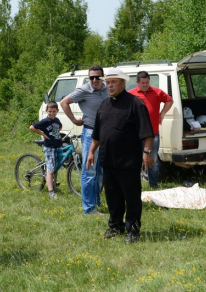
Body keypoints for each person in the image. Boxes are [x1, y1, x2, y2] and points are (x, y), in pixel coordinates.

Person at [87, 68, 154, 244]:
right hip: (108, 160)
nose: (109, 86)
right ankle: (115, 225)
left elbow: (147, 133)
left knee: (131, 198)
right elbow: (97, 134)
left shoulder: (135, 103)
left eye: (113, 82)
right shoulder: (104, 105)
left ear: (123, 84)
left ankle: (133, 230)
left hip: (128, 161)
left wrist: (147, 153)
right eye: (107, 82)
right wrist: (91, 151)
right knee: (112, 196)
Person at [60, 65, 108, 215]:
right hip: (90, 133)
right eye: (91, 77)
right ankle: (88, 209)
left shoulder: (107, 89)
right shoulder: (84, 90)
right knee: (89, 172)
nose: (94, 80)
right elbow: (64, 103)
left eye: (97, 77)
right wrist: (74, 120)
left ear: (102, 77)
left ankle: (96, 201)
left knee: (100, 171)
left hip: (105, 134)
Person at [128, 71, 173, 188]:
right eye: (142, 83)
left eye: (147, 82)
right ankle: (134, 186)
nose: (145, 85)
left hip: (153, 133)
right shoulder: (130, 94)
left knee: (153, 160)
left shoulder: (156, 92)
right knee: (135, 160)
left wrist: (162, 113)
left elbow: (169, 100)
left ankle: (154, 185)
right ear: (137, 82)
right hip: (136, 134)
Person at [29, 101, 62, 199]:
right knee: (50, 170)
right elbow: (32, 127)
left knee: (56, 168)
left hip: (57, 146)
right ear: (46, 111)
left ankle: (54, 185)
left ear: (57, 111)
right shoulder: (45, 121)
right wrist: (42, 134)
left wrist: (56, 134)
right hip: (50, 147)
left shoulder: (57, 120)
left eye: (54, 111)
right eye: (50, 111)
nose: (52, 113)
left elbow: (60, 126)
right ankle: (51, 192)